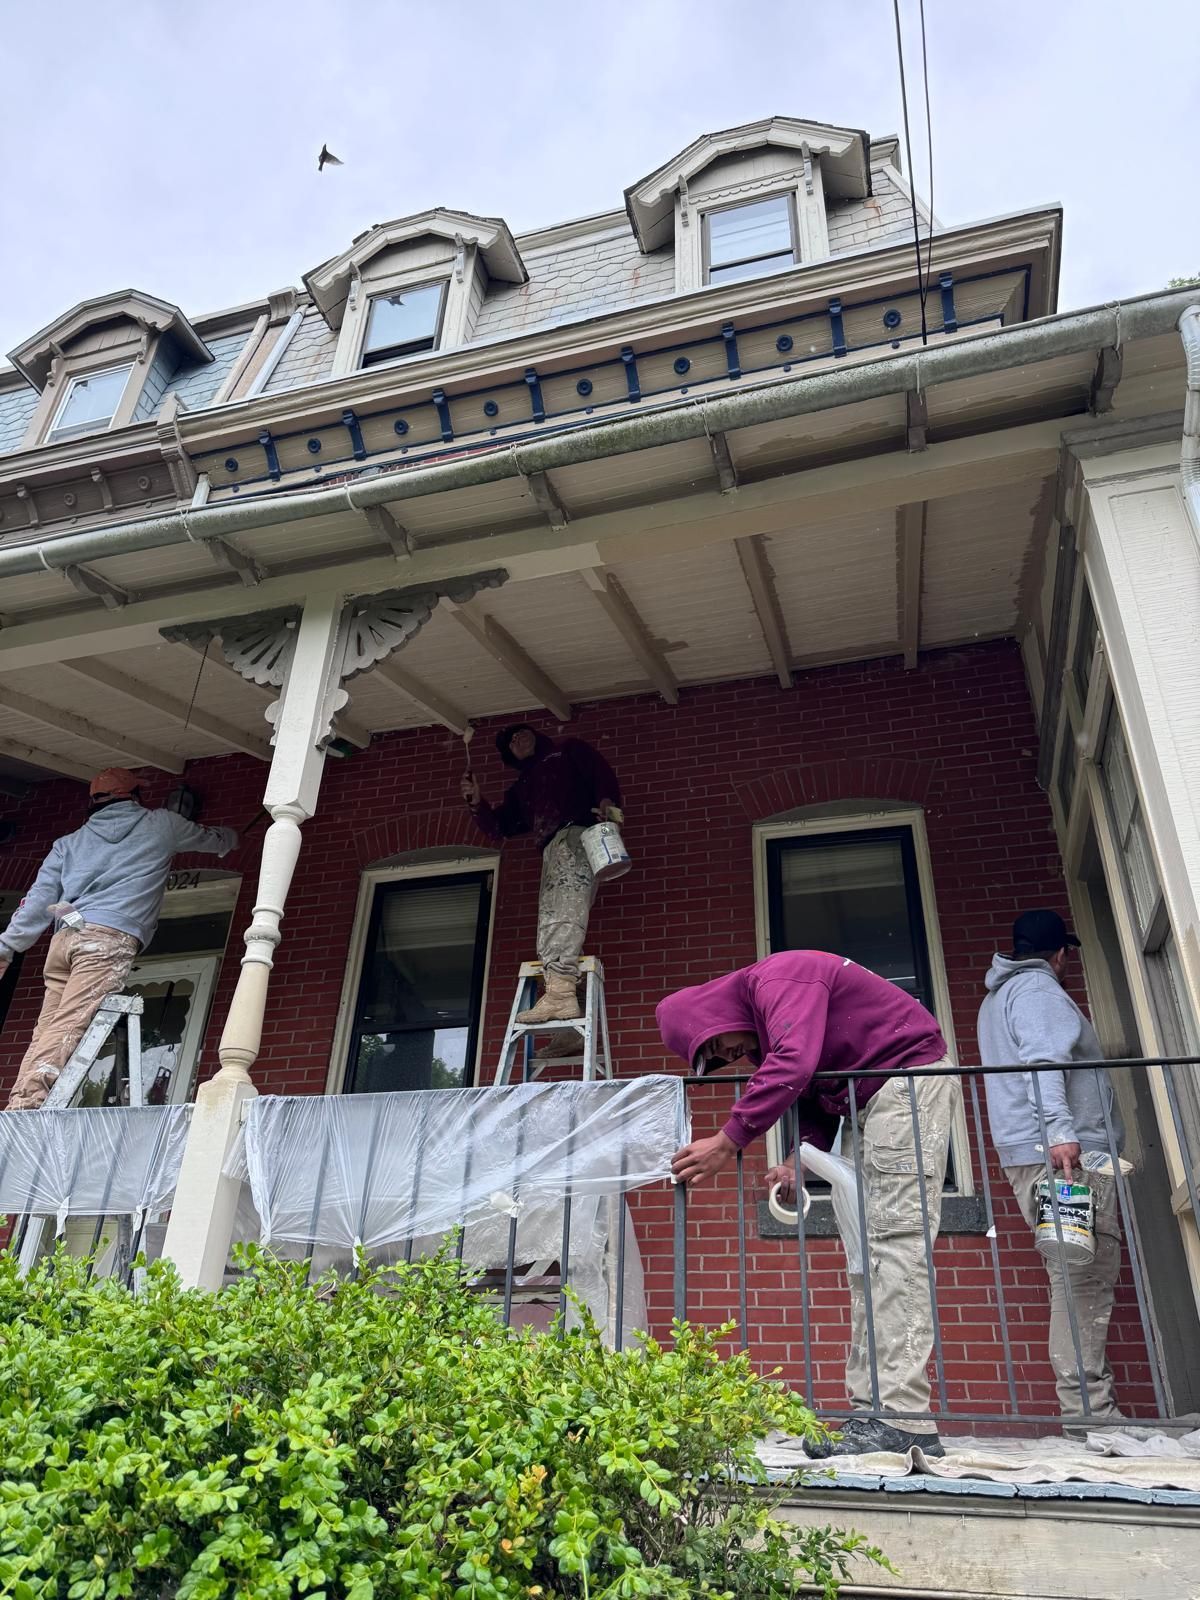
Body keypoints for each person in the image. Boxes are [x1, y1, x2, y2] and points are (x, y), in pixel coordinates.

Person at [658, 951, 960, 1458]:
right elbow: (811, 1089)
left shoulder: (778, 979)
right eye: (718, 1062)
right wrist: (801, 1157)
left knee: (895, 1248)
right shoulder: (768, 1018)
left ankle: (903, 1417)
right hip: (868, 1099)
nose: (731, 1055)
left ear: (709, 1015)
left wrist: (729, 1140)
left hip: (906, 1084)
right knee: (867, 1260)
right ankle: (875, 1410)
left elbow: (795, 1064)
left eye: (716, 1047)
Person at [0, 769, 238, 1110]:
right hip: (107, 939)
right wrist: (232, 838)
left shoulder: (68, 843)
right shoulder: (162, 824)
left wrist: (7, 946)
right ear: (135, 795)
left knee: (49, 1027)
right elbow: (215, 840)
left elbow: (39, 901)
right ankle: (28, 1106)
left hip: (67, 935)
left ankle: (21, 1100)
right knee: (70, 1023)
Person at [977, 908, 1125, 1424]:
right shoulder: (1038, 991)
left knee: (1071, 1269)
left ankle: (1087, 1409)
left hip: (1035, 1154)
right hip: (1064, 1159)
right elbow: (1043, 1062)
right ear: (1060, 955)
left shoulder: (997, 998)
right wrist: (1062, 1133)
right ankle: (1091, 1414)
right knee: (1082, 1274)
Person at [462, 725, 622, 1025]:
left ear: (535, 735)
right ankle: (566, 1027)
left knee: (561, 912)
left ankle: (560, 995)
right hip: (552, 848)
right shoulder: (523, 785)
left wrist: (607, 806)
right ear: (509, 754)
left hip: (577, 835)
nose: (517, 739)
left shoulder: (568, 750)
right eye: (510, 741)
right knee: (557, 913)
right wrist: (476, 802)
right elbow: (500, 827)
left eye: (521, 732)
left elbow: (603, 777)